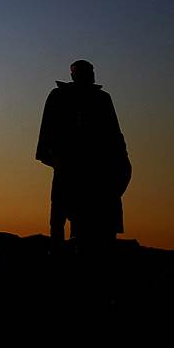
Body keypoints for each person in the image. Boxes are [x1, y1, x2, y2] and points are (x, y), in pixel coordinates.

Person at [36, 60, 131, 256]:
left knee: (90, 212)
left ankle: (84, 248)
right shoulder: (59, 96)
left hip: (96, 166)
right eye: (84, 72)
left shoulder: (102, 99)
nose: (89, 76)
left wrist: (120, 157)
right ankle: (56, 248)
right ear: (73, 75)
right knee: (60, 209)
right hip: (67, 161)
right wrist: (53, 156)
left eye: (90, 72)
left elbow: (113, 131)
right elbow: (48, 128)